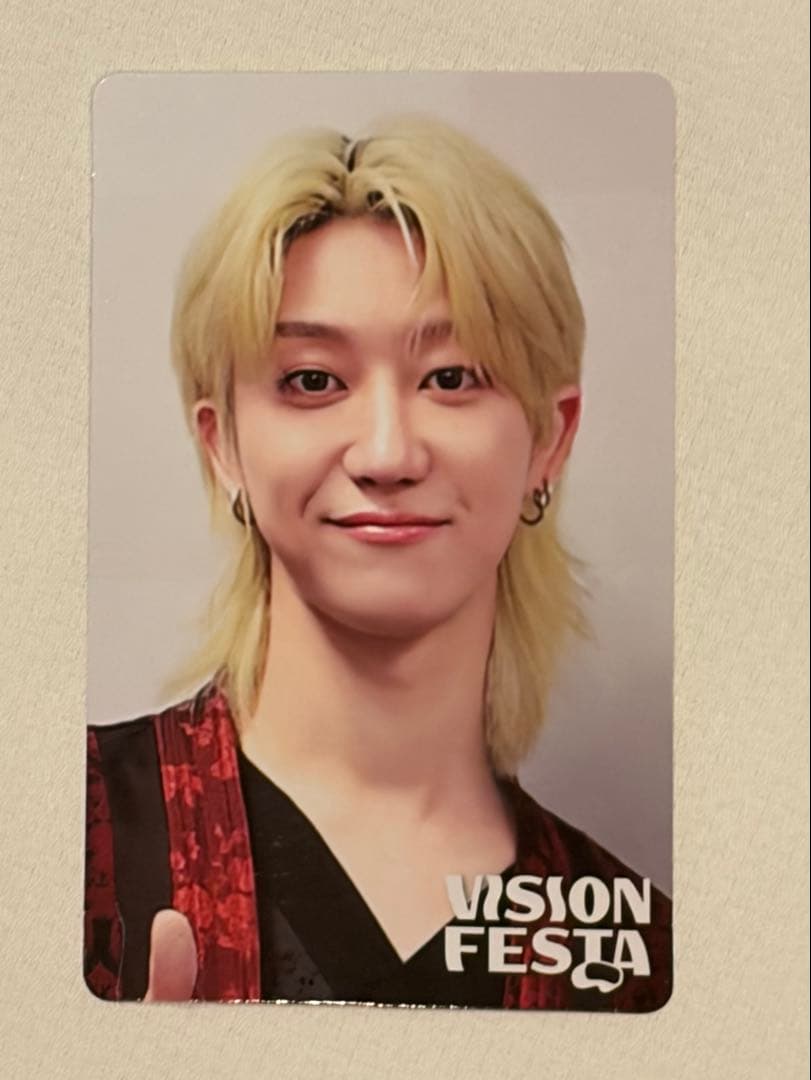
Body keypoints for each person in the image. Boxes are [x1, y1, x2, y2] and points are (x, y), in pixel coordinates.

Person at [84, 113, 672, 1009]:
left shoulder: (645, 970)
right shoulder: (55, 831)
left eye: (452, 377)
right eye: (312, 380)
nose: (387, 453)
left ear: (549, 442)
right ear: (223, 445)